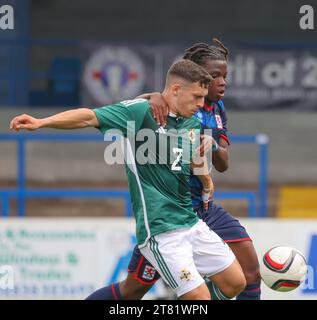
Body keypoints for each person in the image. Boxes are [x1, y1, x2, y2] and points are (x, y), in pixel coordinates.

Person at [10, 59, 246, 300]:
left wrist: (206, 180)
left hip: (191, 222)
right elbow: (88, 117)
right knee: (197, 298)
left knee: (235, 282)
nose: (201, 103)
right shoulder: (140, 112)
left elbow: (188, 158)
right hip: (161, 230)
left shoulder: (191, 123)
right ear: (176, 89)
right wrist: (42, 122)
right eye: (196, 96)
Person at [87, 39, 261, 300]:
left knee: (249, 273)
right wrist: (152, 95)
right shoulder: (167, 102)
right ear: (197, 76)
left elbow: (223, 163)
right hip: (170, 214)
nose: (222, 82)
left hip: (203, 210)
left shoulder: (216, 110)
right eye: (215, 76)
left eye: (225, 76)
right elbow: (136, 109)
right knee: (133, 289)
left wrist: (209, 141)